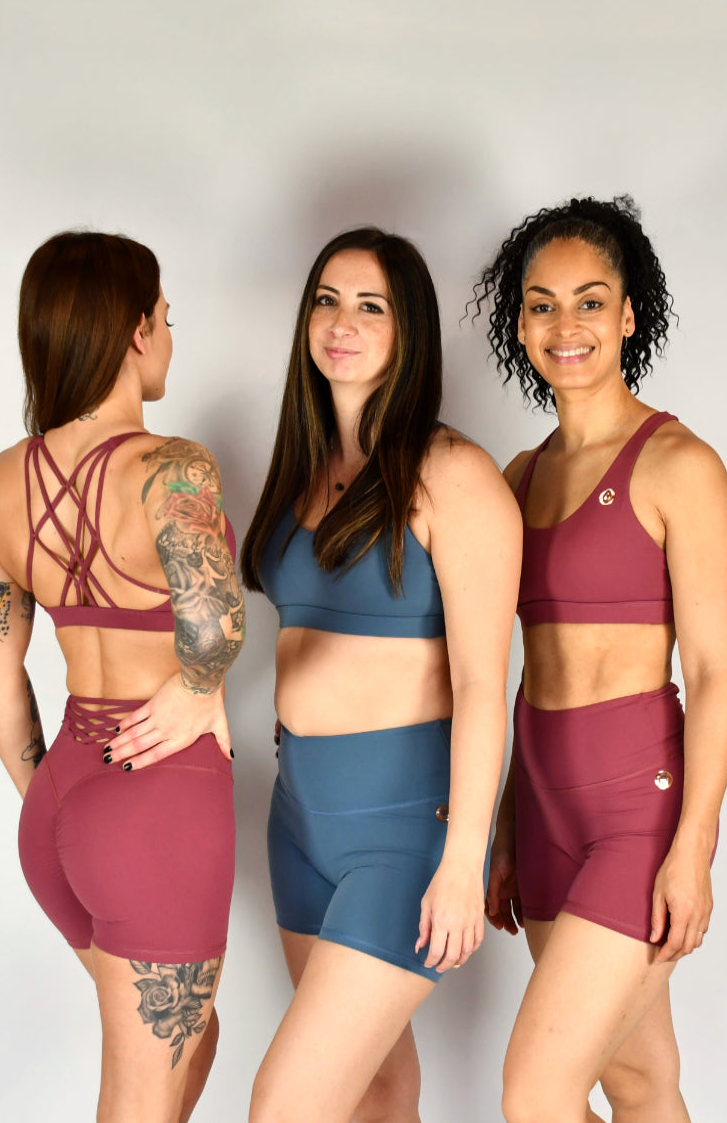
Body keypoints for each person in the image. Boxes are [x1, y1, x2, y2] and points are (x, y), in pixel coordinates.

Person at [239, 227, 521, 1122]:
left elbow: (482, 684)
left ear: (410, 332)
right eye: (327, 300)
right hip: (298, 822)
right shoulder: (303, 470)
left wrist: (464, 861)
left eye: (372, 307)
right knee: (376, 1093)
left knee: (284, 1106)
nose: (342, 323)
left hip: (404, 835)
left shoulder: (454, 474)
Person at [0, 232, 245, 1123]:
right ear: (135, 331)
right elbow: (215, 626)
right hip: (154, 807)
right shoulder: (173, 467)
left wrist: (54, 795)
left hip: (59, 805)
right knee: (138, 1103)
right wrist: (199, 685)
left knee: (193, 1038)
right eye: (165, 317)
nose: (169, 336)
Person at [475, 196, 727, 1123]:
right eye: (542, 305)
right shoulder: (518, 477)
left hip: (638, 814)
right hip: (544, 805)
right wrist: (507, 824)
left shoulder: (680, 466)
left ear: (628, 316)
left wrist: (695, 848)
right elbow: (528, 666)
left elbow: (715, 675)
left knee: (536, 1094)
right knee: (638, 1083)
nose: (566, 325)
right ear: (520, 325)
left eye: (590, 302)